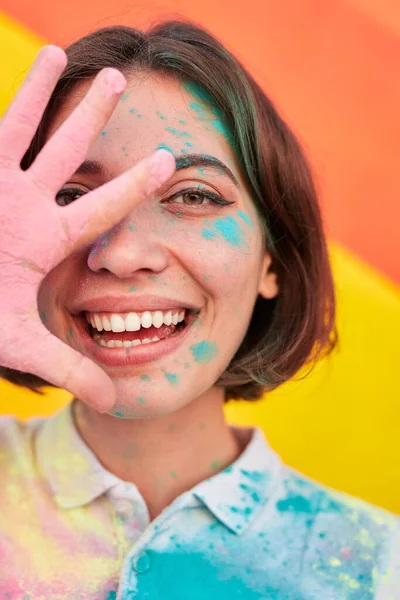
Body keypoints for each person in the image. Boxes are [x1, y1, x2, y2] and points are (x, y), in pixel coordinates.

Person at [0, 20, 398, 600]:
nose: (123, 254)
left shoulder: (373, 566)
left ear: (273, 260)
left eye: (193, 196)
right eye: (73, 196)